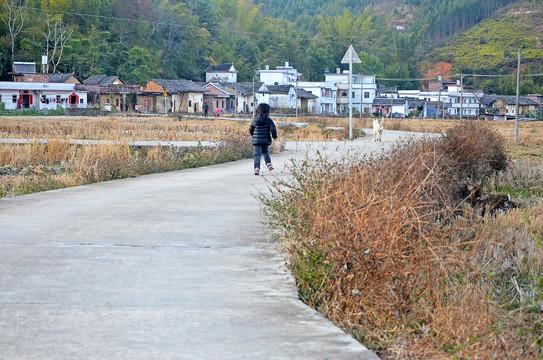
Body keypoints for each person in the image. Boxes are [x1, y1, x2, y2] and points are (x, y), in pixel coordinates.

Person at [249, 103, 278, 176]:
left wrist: (253, 136)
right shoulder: (269, 120)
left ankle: (256, 168)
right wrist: (275, 137)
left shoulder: (255, 120)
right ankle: (269, 164)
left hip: (256, 141)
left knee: (257, 155)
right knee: (265, 151)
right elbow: (273, 129)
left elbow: (251, 129)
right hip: (265, 140)